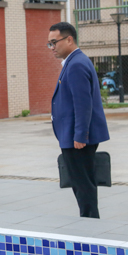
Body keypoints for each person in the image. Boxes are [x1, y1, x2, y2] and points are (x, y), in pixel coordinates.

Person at [49, 22, 110, 218]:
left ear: (69, 39)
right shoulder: (75, 61)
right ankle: (89, 219)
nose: (52, 47)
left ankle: (90, 222)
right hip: (73, 135)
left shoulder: (76, 64)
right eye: (49, 43)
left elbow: (83, 104)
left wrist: (80, 136)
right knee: (81, 183)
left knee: (83, 184)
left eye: (54, 42)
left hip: (77, 138)